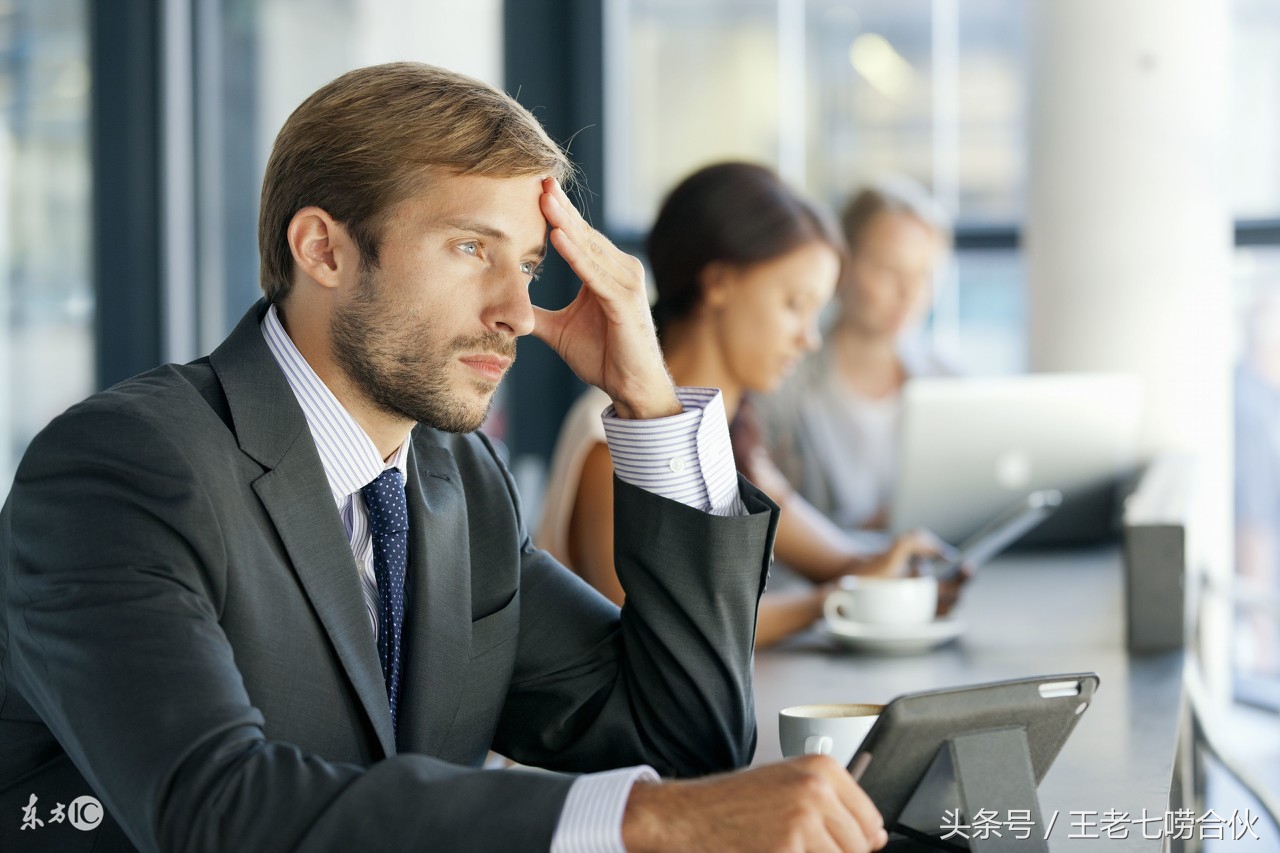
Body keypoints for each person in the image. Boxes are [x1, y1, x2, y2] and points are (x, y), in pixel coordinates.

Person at [0, 65, 888, 852]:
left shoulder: (455, 482)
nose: (516, 311)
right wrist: (640, 821)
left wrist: (651, 405)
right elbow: (214, 809)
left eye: (533, 264)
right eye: (472, 249)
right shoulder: (122, 468)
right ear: (324, 249)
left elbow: (686, 744)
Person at [538, 163, 944, 648]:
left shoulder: (733, 436)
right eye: (795, 304)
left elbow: (843, 562)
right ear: (719, 283)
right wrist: (831, 601)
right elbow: (647, 628)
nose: (810, 339)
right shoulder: (613, 440)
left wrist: (911, 568)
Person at [757, 176, 956, 532]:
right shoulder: (777, 383)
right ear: (842, 267)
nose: (909, 293)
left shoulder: (952, 385)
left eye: (924, 275)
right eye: (888, 270)